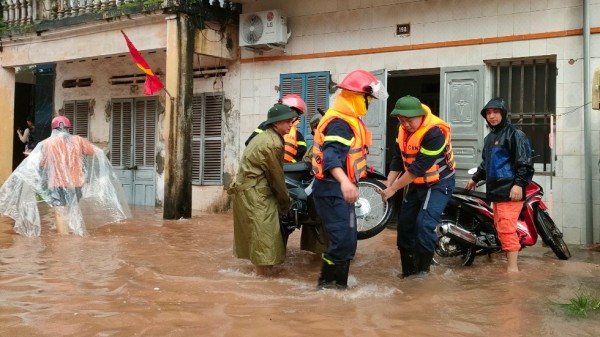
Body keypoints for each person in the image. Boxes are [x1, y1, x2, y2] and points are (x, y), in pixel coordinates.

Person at [311, 70, 388, 289]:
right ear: (356, 96)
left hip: (339, 189)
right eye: (368, 99)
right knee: (342, 241)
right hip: (331, 190)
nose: (369, 104)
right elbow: (331, 158)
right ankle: (328, 288)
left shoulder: (348, 120)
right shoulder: (340, 124)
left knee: (348, 240)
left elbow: (348, 157)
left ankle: (337, 287)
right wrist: (345, 181)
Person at [0, 115, 131, 236]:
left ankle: (64, 238)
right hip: (76, 182)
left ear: (53, 128)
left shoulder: (47, 144)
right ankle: (74, 232)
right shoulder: (78, 140)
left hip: (57, 182)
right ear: (68, 128)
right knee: (73, 206)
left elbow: (44, 164)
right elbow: (94, 152)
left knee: (60, 210)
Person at [379, 95, 456, 279]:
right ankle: (408, 273)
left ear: (420, 115)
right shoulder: (402, 130)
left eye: (409, 120)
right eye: (401, 120)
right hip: (415, 183)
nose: (405, 124)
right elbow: (399, 159)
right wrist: (389, 181)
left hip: (438, 182)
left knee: (423, 225)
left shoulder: (434, 132)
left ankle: (423, 274)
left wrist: (394, 188)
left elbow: (418, 167)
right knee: (405, 226)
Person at [465, 97, 534, 273]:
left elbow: (525, 162)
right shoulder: (490, 138)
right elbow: (485, 164)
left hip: (510, 191)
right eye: (488, 113)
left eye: (496, 112)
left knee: (506, 230)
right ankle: (510, 268)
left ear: (503, 113)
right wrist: (475, 179)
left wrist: (518, 184)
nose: (492, 116)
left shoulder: (515, 134)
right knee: (501, 228)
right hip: (496, 191)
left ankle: (513, 272)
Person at [231, 103, 297, 276]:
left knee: (261, 235)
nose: (291, 125)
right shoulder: (273, 143)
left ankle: (262, 275)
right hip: (255, 193)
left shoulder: (266, 137)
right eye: (288, 121)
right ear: (276, 123)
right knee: (264, 237)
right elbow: (276, 177)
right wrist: (285, 202)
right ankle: (262, 278)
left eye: (292, 121)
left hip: (249, 191)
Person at [245, 94, 307, 164]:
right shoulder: (265, 126)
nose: (292, 117)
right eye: (291, 113)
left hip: (287, 170)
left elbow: (302, 152)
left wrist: (290, 164)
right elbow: (250, 144)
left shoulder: (297, 134)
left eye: (295, 115)